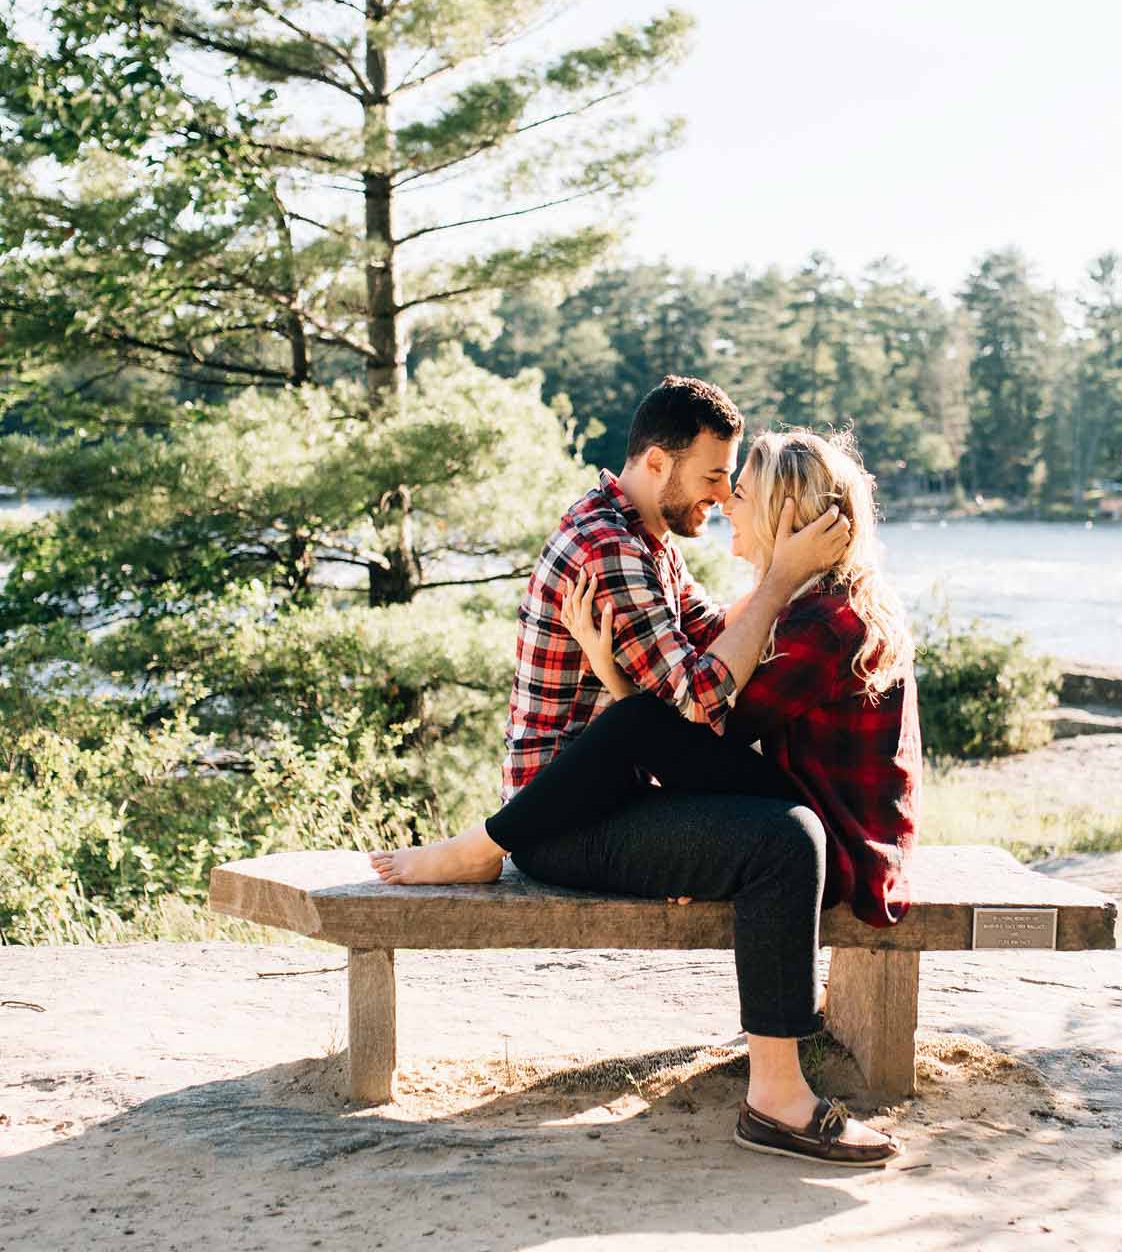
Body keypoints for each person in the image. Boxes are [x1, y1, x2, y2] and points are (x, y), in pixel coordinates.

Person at [371, 381, 912, 1167]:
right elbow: (700, 698)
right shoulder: (610, 548)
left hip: (624, 793)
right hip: (567, 819)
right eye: (712, 478)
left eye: (737, 484)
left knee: (755, 813)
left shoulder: (651, 538)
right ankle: (494, 844)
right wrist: (780, 574)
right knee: (777, 832)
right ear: (658, 463)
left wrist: (781, 574)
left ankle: (774, 1093)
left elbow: (700, 671)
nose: (724, 497)